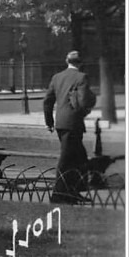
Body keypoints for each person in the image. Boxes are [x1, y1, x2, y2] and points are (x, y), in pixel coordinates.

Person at [43, 50, 97, 203]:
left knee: (79, 158)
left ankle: (72, 191)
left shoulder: (57, 77)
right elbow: (84, 101)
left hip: (61, 123)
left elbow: (47, 101)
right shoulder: (82, 77)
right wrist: (87, 108)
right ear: (80, 63)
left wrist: (49, 122)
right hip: (73, 124)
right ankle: (58, 194)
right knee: (66, 160)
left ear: (67, 61)